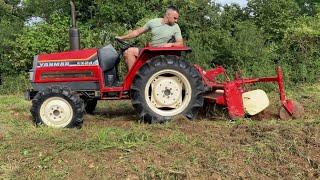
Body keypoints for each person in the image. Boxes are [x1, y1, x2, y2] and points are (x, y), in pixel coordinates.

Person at [116, 6, 184, 70]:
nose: (176, 21)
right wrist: (122, 38)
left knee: (130, 51)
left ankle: (134, 79)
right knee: (126, 53)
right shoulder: (153, 22)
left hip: (159, 53)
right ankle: (139, 74)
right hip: (151, 51)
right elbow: (137, 32)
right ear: (168, 14)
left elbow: (180, 43)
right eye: (175, 18)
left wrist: (170, 44)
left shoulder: (175, 27)